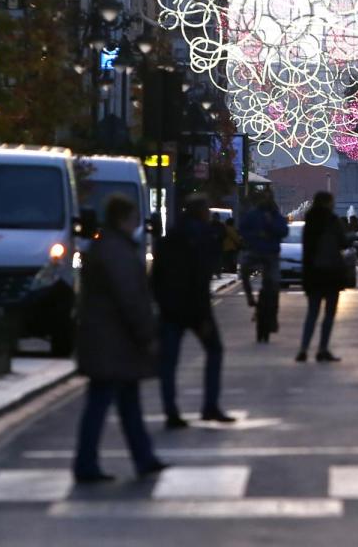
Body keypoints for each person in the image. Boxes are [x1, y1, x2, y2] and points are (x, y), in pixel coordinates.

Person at [73, 194, 167, 483]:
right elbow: (131, 298)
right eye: (134, 218)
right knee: (103, 402)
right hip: (114, 340)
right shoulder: (118, 251)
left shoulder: (108, 247)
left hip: (109, 339)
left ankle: (143, 457)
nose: (138, 223)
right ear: (123, 219)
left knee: (126, 402)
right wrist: (146, 333)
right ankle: (87, 463)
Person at [152, 195, 235, 429]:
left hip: (170, 308)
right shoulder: (204, 238)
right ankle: (210, 406)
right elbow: (200, 278)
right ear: (201, 213)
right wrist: (204, 315)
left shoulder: (169, 238)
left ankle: (171, 410)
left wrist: (161, 303)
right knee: (215, 351)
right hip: (195, 308)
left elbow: (155, 278)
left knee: (169, 362)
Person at [297, 192, 349, 363]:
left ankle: (303, 349)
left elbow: (306, 249)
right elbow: (343, 243)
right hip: (331, 273)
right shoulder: (334, 221)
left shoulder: (309, 222)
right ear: (328, 203)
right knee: (328, 314)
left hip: (313, 272)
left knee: (312, 313)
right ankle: (322, 349)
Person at [239, 189, 289, 342]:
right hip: (254, 252)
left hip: (271, 254)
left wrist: (270, 227)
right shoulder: (253, 215)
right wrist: (256, 236)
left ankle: (273, 317)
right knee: (244, 271)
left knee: (274, 285)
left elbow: (283, 230)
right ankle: (249, 297)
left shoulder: (275, 215)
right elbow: (243, 229)